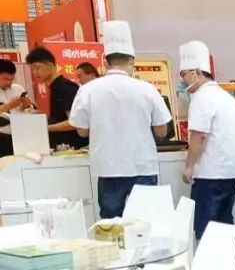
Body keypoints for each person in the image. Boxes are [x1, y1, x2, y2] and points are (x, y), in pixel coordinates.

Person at [68, 20, 171, 218]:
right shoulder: (147, 89)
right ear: (132, 61)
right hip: (142, 166)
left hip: (108, 167)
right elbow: (161, 131)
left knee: (111, 224)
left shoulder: (88, 90)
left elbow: (81, 131)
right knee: (144, 222)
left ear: (105, 61)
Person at [178, 40, 235, 239]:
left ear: (197, 73)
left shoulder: (202, 97)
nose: (182, 80)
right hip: (231, 174)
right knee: (225, 229)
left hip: (210, 176)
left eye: (184, 74)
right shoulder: (227, 98)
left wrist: (188, 166)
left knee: (206, 232)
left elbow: (199, 136)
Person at [24, 46, 84, 150]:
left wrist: (44, 128)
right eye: (32, 69)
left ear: (50, 65)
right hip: (61, 146)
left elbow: (74, 122)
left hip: (72, 148)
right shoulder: (55, 87)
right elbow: (60, 117)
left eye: (37, 67)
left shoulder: (65, 88)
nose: (34, 72)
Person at [0, 58, 27, 157]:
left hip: (20, 135)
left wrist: (26, 105)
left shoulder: (18, 88)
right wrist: (9, 106)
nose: (9, 82)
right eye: (6, 79)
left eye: (12, 79)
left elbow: (28, 109)